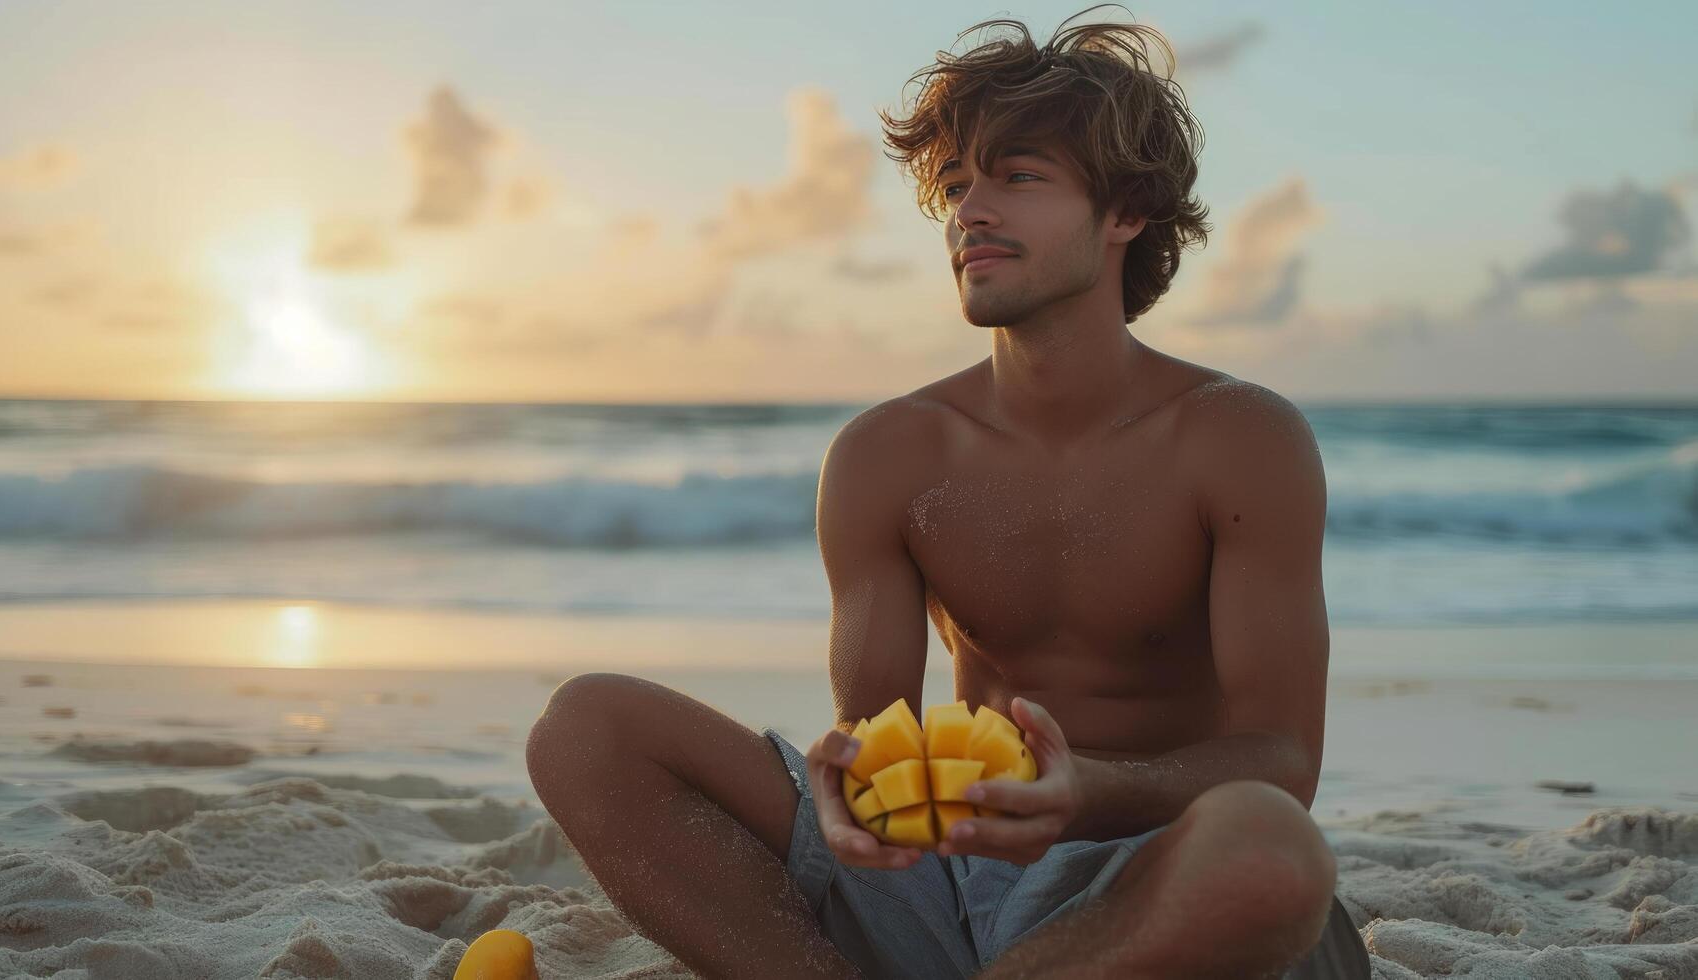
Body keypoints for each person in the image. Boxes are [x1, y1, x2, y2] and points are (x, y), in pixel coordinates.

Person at [527, 6, 1372, 977]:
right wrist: (846, 790)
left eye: (1017, 177)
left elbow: (1281, 762)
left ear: (1126, 212)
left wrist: (1081, 790)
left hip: (1154, 876)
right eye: (958, 183)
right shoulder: (889, 453)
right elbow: (870, 730)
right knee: (587, 727)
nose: (971, 209)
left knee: (1269, 849)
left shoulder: (1239, 438)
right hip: (942, 871)